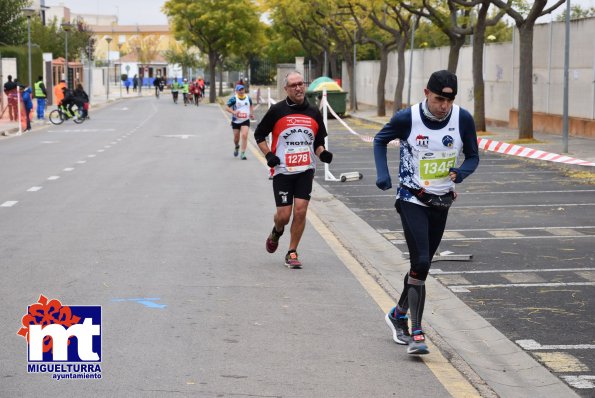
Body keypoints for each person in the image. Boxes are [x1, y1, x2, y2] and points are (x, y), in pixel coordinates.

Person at [374, 70, 479, 355]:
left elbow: (473, 155)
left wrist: (462, 172)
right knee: (420, 259)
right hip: (411, 197)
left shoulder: (462, 119)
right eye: (438, 99)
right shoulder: (408, 118)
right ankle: (416, 332)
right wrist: (383, 174)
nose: (443, 105)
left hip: (441, 201)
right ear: (426, 93)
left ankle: (397, 314)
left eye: (449, 100)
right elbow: (379, 140)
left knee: (423, 265)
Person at [254, 71, 333, 269]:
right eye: (293, 85)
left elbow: (318, 142)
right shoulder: (277, 110)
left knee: (300, 210)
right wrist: (269, 155)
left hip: (305, 169)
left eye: (300, 84)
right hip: (282, 170)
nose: (298, 88)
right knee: (284, 215)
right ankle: (277, 231)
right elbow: (259, 135)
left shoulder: (313, 112)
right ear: (286, 89)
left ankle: (292, 251)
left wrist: (322, 154)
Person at [226, 84, 254, 160]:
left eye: (242, 89)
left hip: (245, 120)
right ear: (236, 91)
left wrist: (251, 113)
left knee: (244, 135)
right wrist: (234, 112)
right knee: (236, 138)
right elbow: (227, 107)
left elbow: (251, 105)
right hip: (236, 121)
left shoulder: (248, 98)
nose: (241, 91)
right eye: (240, 90)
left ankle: (243, 153)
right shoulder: (234, 99)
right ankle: (236, 146)